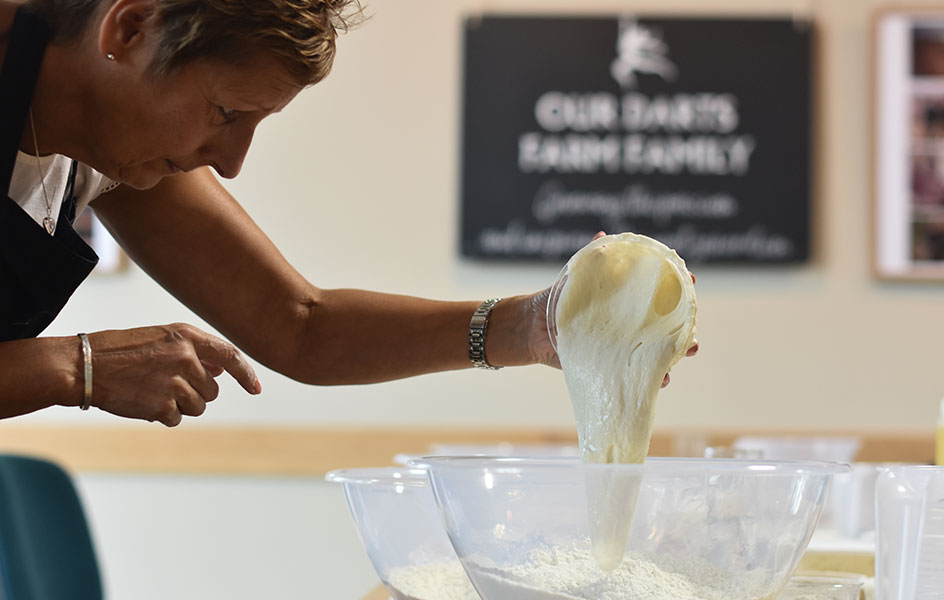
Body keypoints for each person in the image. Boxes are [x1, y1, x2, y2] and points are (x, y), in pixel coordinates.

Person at [1, 0, 697, 428]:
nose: (232, 160)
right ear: (130, 26)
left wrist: (537, 325)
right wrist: (76, 367)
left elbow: (300, 326)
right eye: (226, 112)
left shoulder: (106, 149)